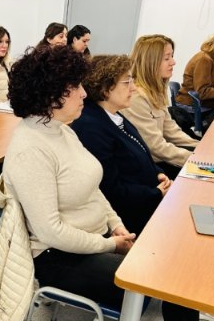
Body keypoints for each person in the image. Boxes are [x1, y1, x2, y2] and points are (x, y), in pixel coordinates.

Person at [1, 44, 214, 321]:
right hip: (58, 258)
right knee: (166, 277)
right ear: (49, 94)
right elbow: (51, 231)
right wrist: (110, 244)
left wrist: (116, 224)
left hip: (97, 238)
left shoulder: (61, 130)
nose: (83, 92)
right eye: (74, 87)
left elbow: (95, 187)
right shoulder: (31, 147)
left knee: (175, 266)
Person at [72, 54, 171, 235]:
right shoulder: (91, 126)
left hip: (146, 200)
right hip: (128, 218)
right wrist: (155, 194)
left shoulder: (114, 114)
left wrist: (158, 173)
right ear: (105, 88)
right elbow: (111, 189)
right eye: (127, 82)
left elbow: (139, 152)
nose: (133, 88)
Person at [122, 34, 198, 179]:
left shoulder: (155, 90)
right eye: (167, 58)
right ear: (151, 62)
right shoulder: (137, 97)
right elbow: (155, 146)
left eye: (172, 56)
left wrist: (200, 147)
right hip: (151, 166)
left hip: (162, 157)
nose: (173, 62)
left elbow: (171, 131)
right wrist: (196, 159)